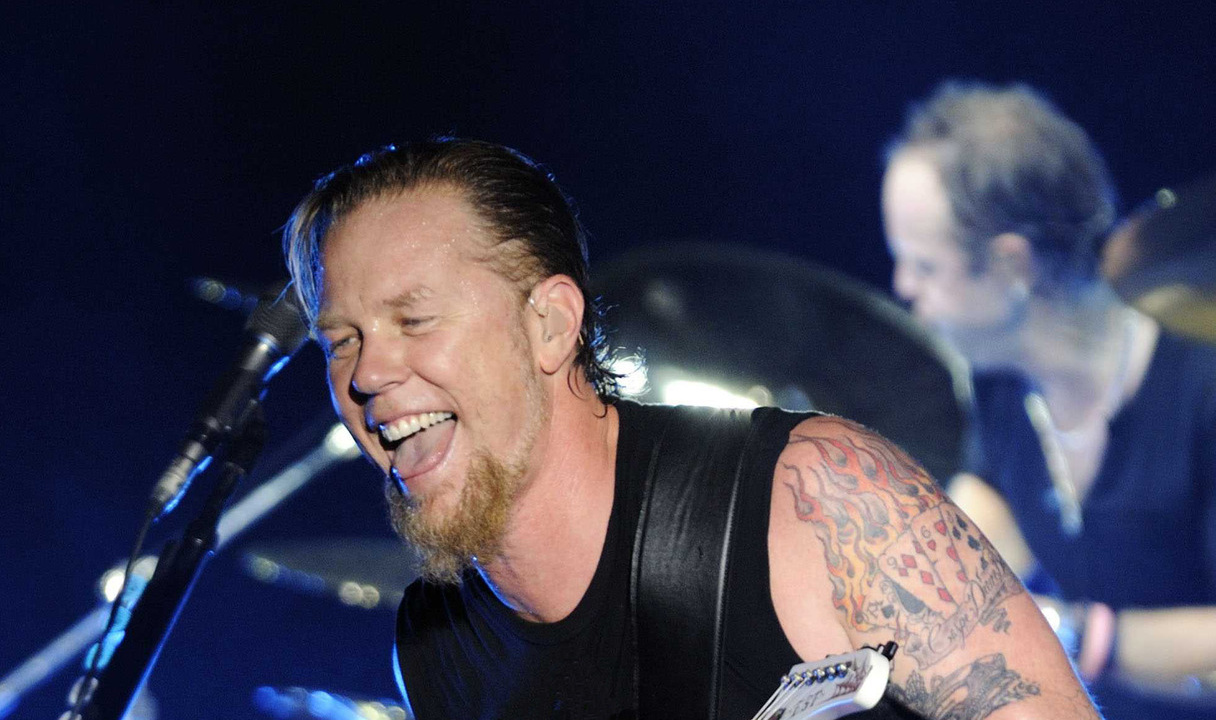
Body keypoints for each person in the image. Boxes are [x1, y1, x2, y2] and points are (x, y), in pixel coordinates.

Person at [283, 138, 1099, 719]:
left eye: (414, 319)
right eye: (341, 340)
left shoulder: (808, 493)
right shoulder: (438, 645)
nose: (366, 373)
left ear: (549, 325)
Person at [881, 81, 1216, 719]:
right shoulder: (1003, 380)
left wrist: (1071, 634)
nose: (902, 287)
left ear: (1013, 264)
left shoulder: (1200, 387)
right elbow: (979, 533)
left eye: (924, 266)